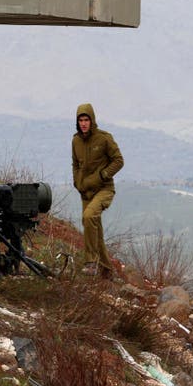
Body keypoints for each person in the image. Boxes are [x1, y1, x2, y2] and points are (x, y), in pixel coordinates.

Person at [72, 103, 124, 277]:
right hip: (85, 191)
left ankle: (91, 262)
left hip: (104, 189)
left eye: (86, 119)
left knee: (89, 217)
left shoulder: (104, 138)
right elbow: (75, 164)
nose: (84, 123)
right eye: (81, 120)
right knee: (95, 229)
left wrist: (103, 175)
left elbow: (118, 161)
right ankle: (107, 271)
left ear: (92, 120)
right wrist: (77, 182)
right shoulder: (76, 141)